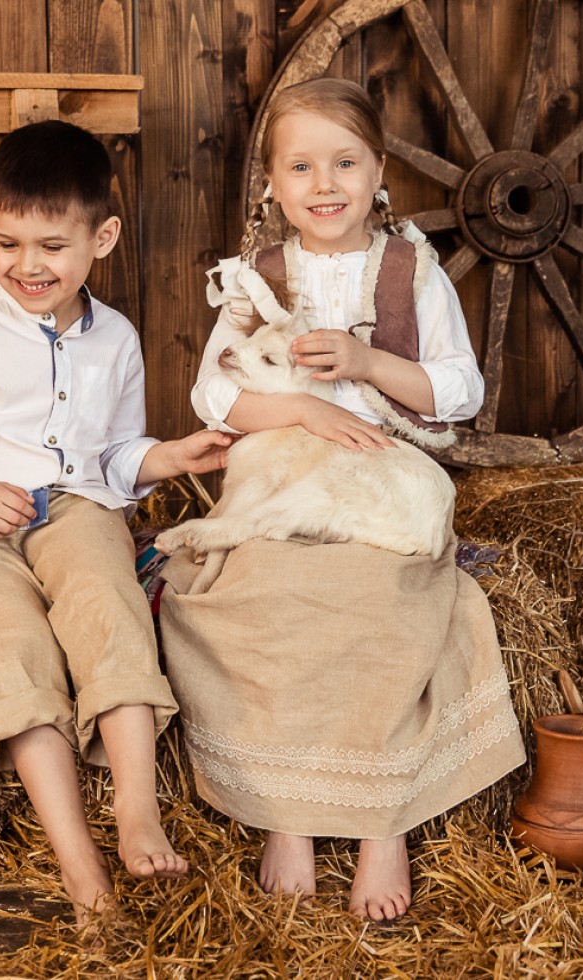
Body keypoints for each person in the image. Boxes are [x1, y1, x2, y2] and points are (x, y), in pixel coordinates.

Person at [159, 78, 526, 921]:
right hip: (284, 470)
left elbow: (458, 389)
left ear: (378, 171)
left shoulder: (407, 270)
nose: (324, 186)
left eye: (344, 163)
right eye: (300, 168)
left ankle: (378, 819)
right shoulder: (257, 279)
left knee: (381, 602)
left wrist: (363, 367)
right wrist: (296, 407)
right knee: (263, 595)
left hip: (377, 477)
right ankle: (287, 813)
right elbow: (213, 402)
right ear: (273, 187)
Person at [0, 120, 233, 920]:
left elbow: (114, 454)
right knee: (4, 643)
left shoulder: (118, 340)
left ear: (99, 237)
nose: (26, 266)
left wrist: (168, 458)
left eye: (50, 246)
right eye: (6, 244)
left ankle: (137, 809)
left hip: (76, 509)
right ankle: (79, 863)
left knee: (104, 603)